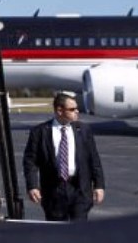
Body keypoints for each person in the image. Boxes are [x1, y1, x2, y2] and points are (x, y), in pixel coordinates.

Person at [22, 93, 105, 221]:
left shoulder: (83, 130)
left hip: (79, 188)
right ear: (59, 111)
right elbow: (30, 161)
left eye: (77, 108)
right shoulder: (40, 132)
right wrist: (32, 186)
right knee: (57, 229)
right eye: (72, 109)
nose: (77, 111)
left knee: (79, 229)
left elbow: (94, 159)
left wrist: (99, 185)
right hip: (54, 191)